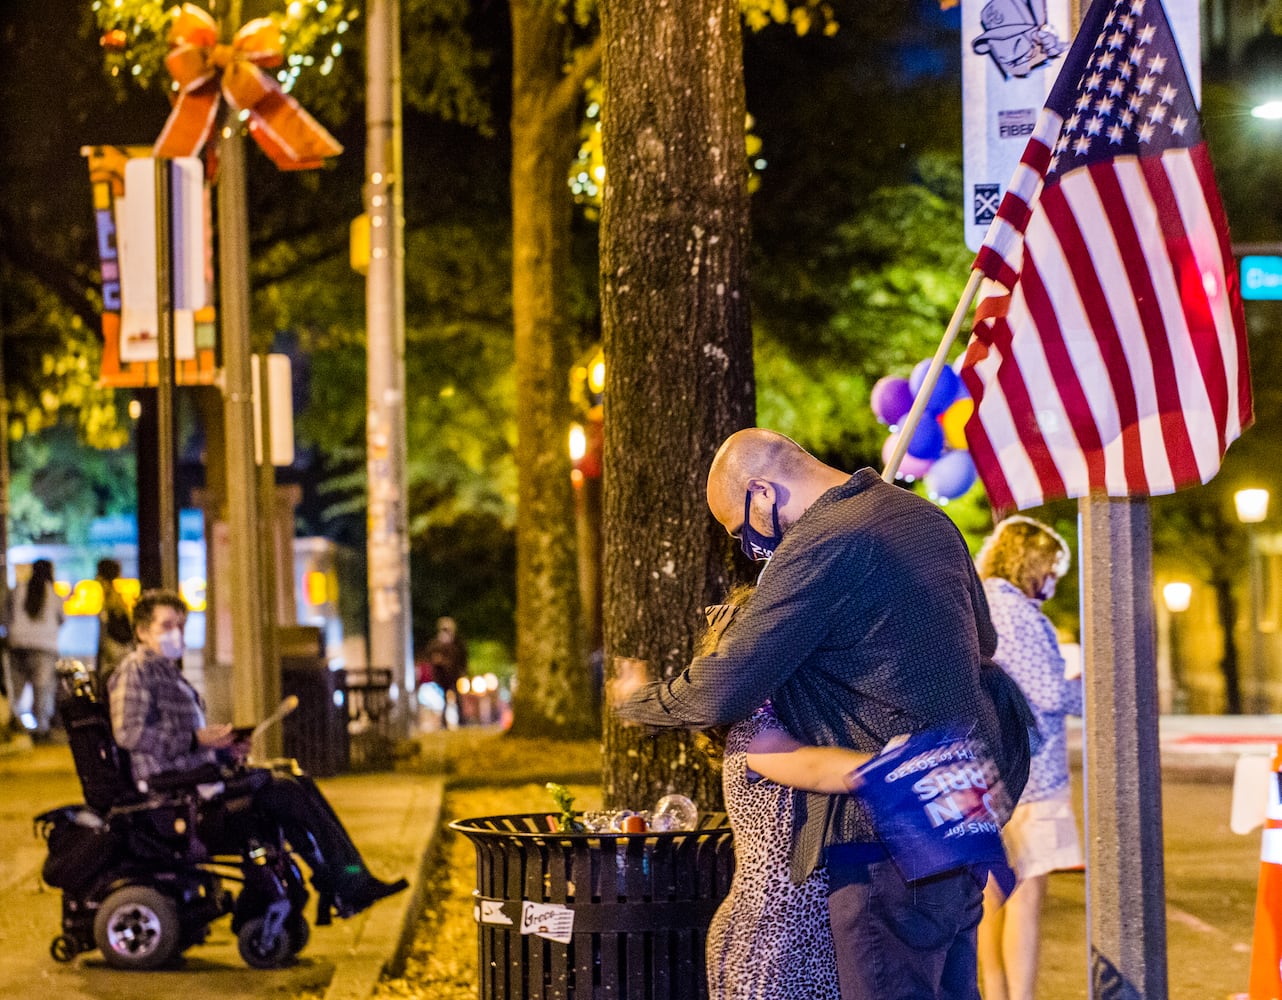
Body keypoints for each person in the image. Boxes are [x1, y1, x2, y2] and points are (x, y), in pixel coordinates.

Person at [614, 428, 1005, 1000]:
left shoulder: (822, 544)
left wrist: (638, 701)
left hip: (884, 839)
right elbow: (985, 642)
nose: (751, 549)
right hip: (960, 813)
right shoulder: (927, 520)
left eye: (743, 533)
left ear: (763, 494)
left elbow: (725, 686)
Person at [109, 589, 406, 919]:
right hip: (171, 796)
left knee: (295, 780)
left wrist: (224, 749)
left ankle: (344, 880)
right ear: (141, 631)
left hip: (195, 782)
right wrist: (197, 739)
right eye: (166, 625)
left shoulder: (169, 672)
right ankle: (344, 884)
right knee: (285, 792)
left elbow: (191, 745)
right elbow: (129, 733)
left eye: (180, 625)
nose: (176, 633)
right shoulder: (136, 671)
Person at [698, 591, 870, 1000]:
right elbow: (817, 768)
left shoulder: (797, 725)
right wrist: (896, 765)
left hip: (809, 938)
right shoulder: (755, 735)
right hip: (767, 940)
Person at [974, 518, 1082, 1000]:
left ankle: (995, 993)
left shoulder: (980, 604)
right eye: (1051, 568)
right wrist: (1091, 684)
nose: (1054, 581)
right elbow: (1048, 693)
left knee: (991, 897)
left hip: (985, 776)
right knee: (1026, 895)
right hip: (1034, 778)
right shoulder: (1020, 613)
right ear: (1030, 564)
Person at [8, 559, 65, 741]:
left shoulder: (18, 590)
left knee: (15, 691)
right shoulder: (53, 594)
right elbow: (62, 619)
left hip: (17, 646)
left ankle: (12, 728)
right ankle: (41, 730)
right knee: (42, 691)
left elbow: (6, 616)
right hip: (44, 648)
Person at [94, 559, 133, 692]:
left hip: (113, 658)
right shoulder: (121, 599)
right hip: (120, 655)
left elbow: (106, 635)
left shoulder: (111, 601)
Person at [425, 616, 468, 726]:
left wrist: (462, 670)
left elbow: (462, 656)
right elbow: (430, 656)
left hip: (454, 674)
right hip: (441, 675)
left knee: (457, 698)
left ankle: (461, 721)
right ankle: (443, 722)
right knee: (443, 699)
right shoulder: (436, 644)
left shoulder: (457, 643)